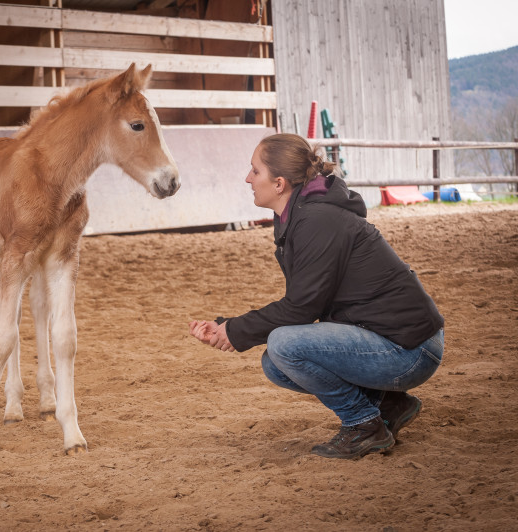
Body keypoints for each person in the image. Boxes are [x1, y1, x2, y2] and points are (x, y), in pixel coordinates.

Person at [189, 133, 444, 460]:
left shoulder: (316, 218)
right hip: (389, 339)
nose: (248, 178)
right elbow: (306, 302)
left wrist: (233, 331)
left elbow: (301, 308)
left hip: (411, 350)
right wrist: (229, 327)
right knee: (276, 363)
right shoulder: (299, 214)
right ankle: (387, 404)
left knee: (284, 345)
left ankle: (364, 424)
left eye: (255, 171)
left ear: (279, 183)